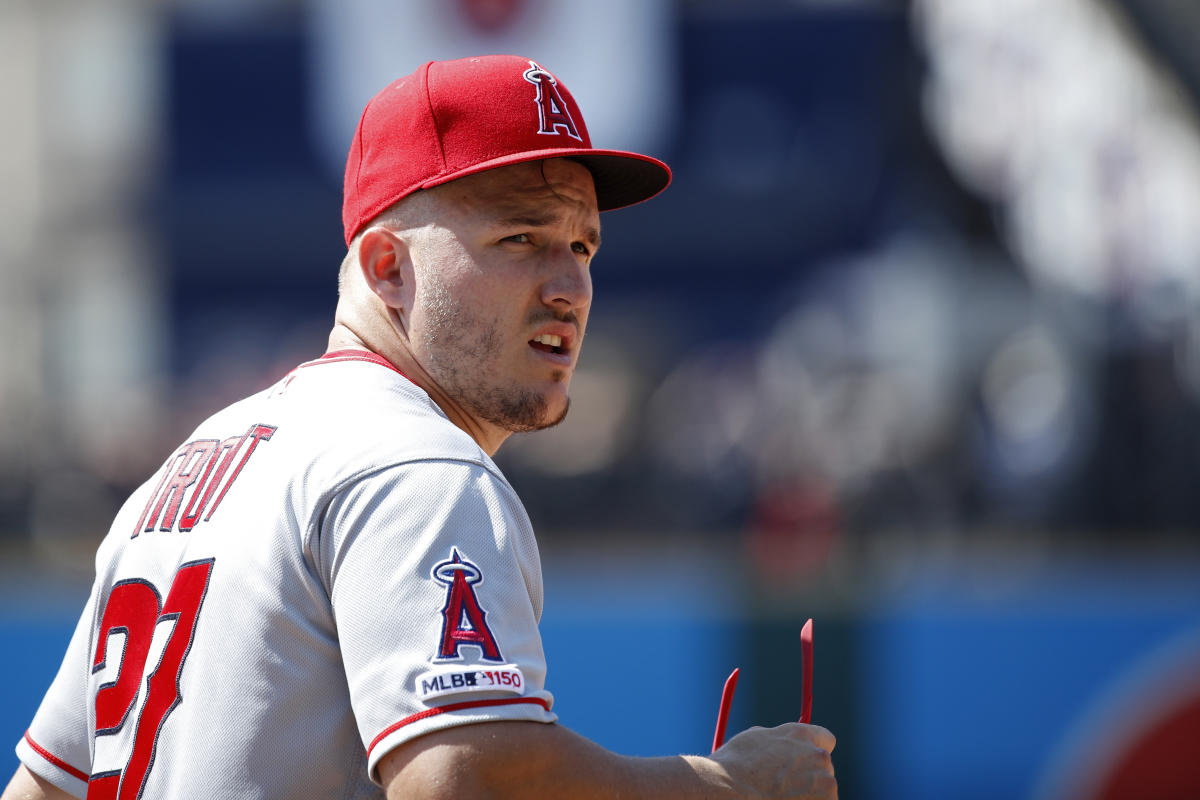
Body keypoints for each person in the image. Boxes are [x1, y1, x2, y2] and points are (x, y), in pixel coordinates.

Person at [3, 54, 837, 799]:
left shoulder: (189, 470)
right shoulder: (415, 466)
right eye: (521, 236)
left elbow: (42, 788)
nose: (569, 286)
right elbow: (459, 776)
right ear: (387, 267)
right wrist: (725, 788)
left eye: (583, 246)